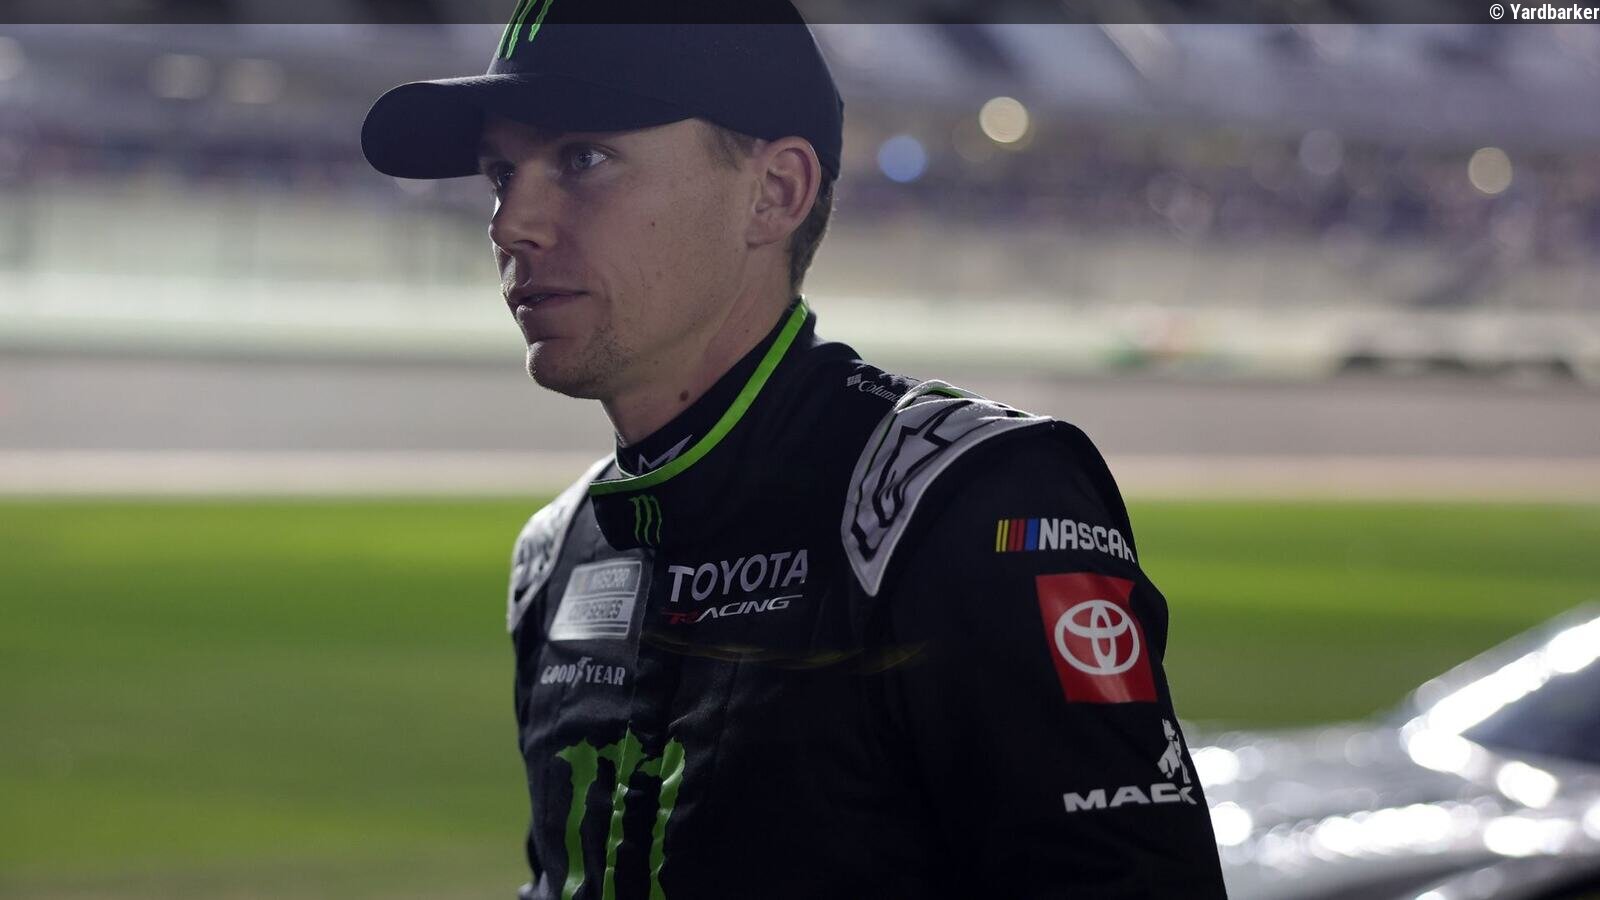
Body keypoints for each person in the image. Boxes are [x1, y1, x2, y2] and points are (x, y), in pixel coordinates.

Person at [361, 2, 1227, 897]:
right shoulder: (556, 554)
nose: (512, 223)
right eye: (501, 173)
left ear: (775, 192)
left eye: (583, 158)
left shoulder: (966, 500)